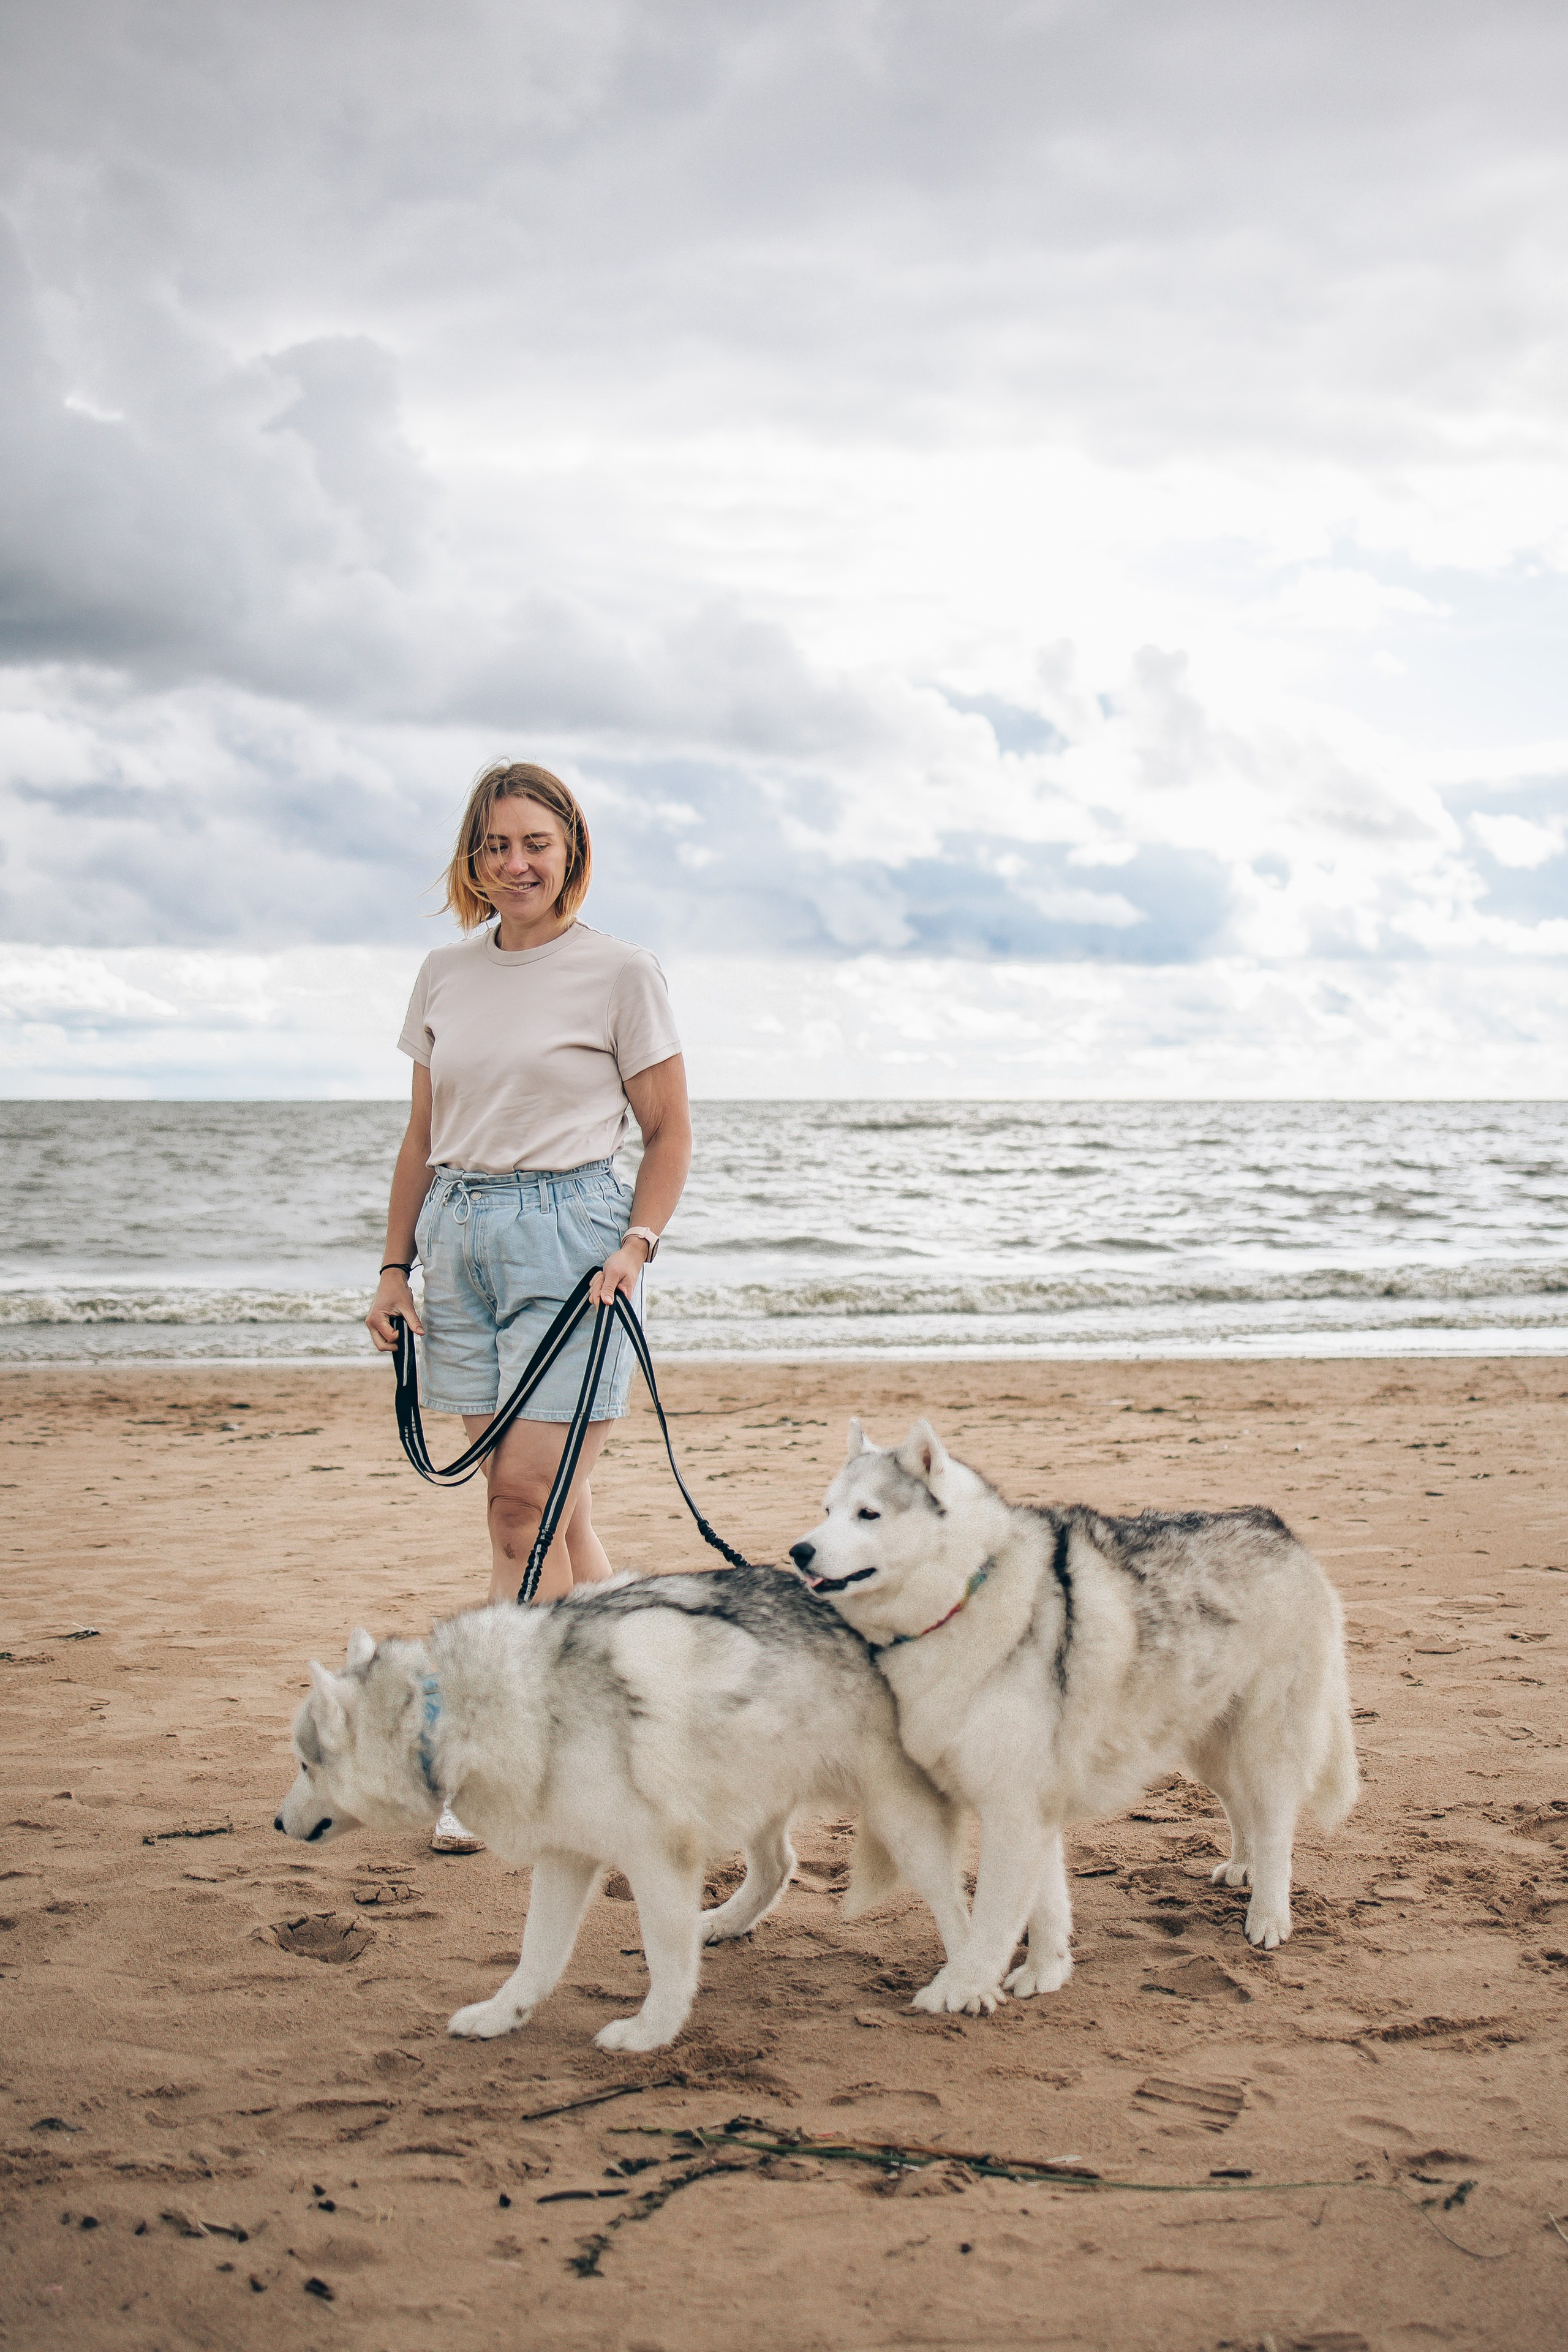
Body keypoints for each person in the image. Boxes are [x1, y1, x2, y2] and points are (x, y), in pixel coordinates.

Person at [366, 761, 692, 1851]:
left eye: (536, 844)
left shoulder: (621, 972)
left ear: (571, 851)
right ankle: (654, 1704)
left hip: (572, 1245)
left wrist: (636, 1247)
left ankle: (500, 1756)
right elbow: (420, 1136)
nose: (517, 864)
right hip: (458, 1243)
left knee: (522, 1509)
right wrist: (394, 1267)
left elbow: (670, 1133)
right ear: (474, 858)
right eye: (497, 845)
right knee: (559, 1514)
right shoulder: (443, 975)